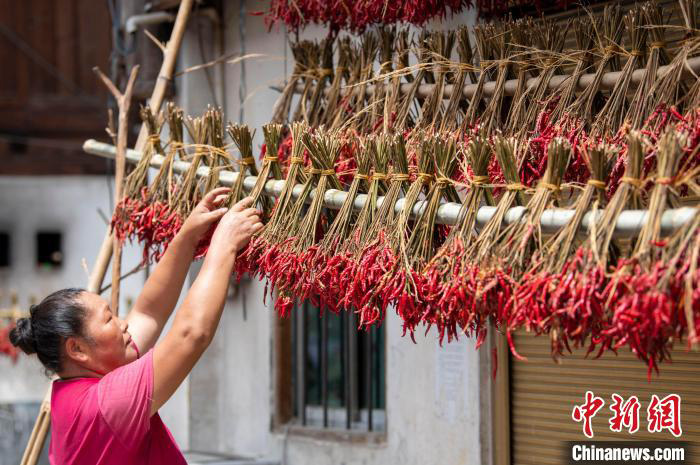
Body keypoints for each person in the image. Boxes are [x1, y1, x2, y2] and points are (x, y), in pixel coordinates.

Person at [10, 187, 262, 465]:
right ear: (77, 349)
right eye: (109, 319)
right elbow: (191, 334)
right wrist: (224, 245)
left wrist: (188, 237)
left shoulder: (75, 388)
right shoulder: (104, 405)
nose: (123, 324)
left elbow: (148, 312)